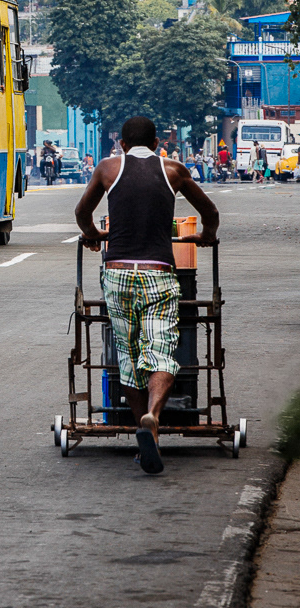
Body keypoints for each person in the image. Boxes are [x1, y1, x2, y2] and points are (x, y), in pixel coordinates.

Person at [75, 115, 219, 475]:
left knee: (128, 354)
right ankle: (152, 417)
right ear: (157, 144)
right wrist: (206, 236)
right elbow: (210, 213)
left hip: (119, 274)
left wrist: (93, 235)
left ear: (122, 144)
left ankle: (144, 428)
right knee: (160, 352)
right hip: (159, 275)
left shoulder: (108, 168)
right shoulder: (174, 170)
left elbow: (82, 213)